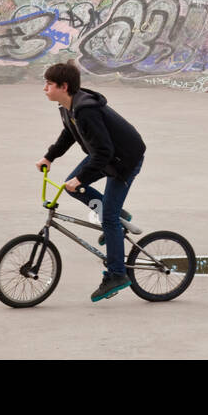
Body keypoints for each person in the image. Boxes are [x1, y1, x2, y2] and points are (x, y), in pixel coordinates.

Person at [37, 61, 147, 302]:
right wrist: (50, 156)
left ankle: (118, 274)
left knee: (107, 216)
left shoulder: (86, 109)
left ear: (63, 86)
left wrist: (82, 178)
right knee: (73, 186)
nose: (44, 88)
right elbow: (69, 134)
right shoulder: (68, 106)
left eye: (49, 84)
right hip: (105, 157)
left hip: (124, 160)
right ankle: (120, 217)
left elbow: (105, 152)